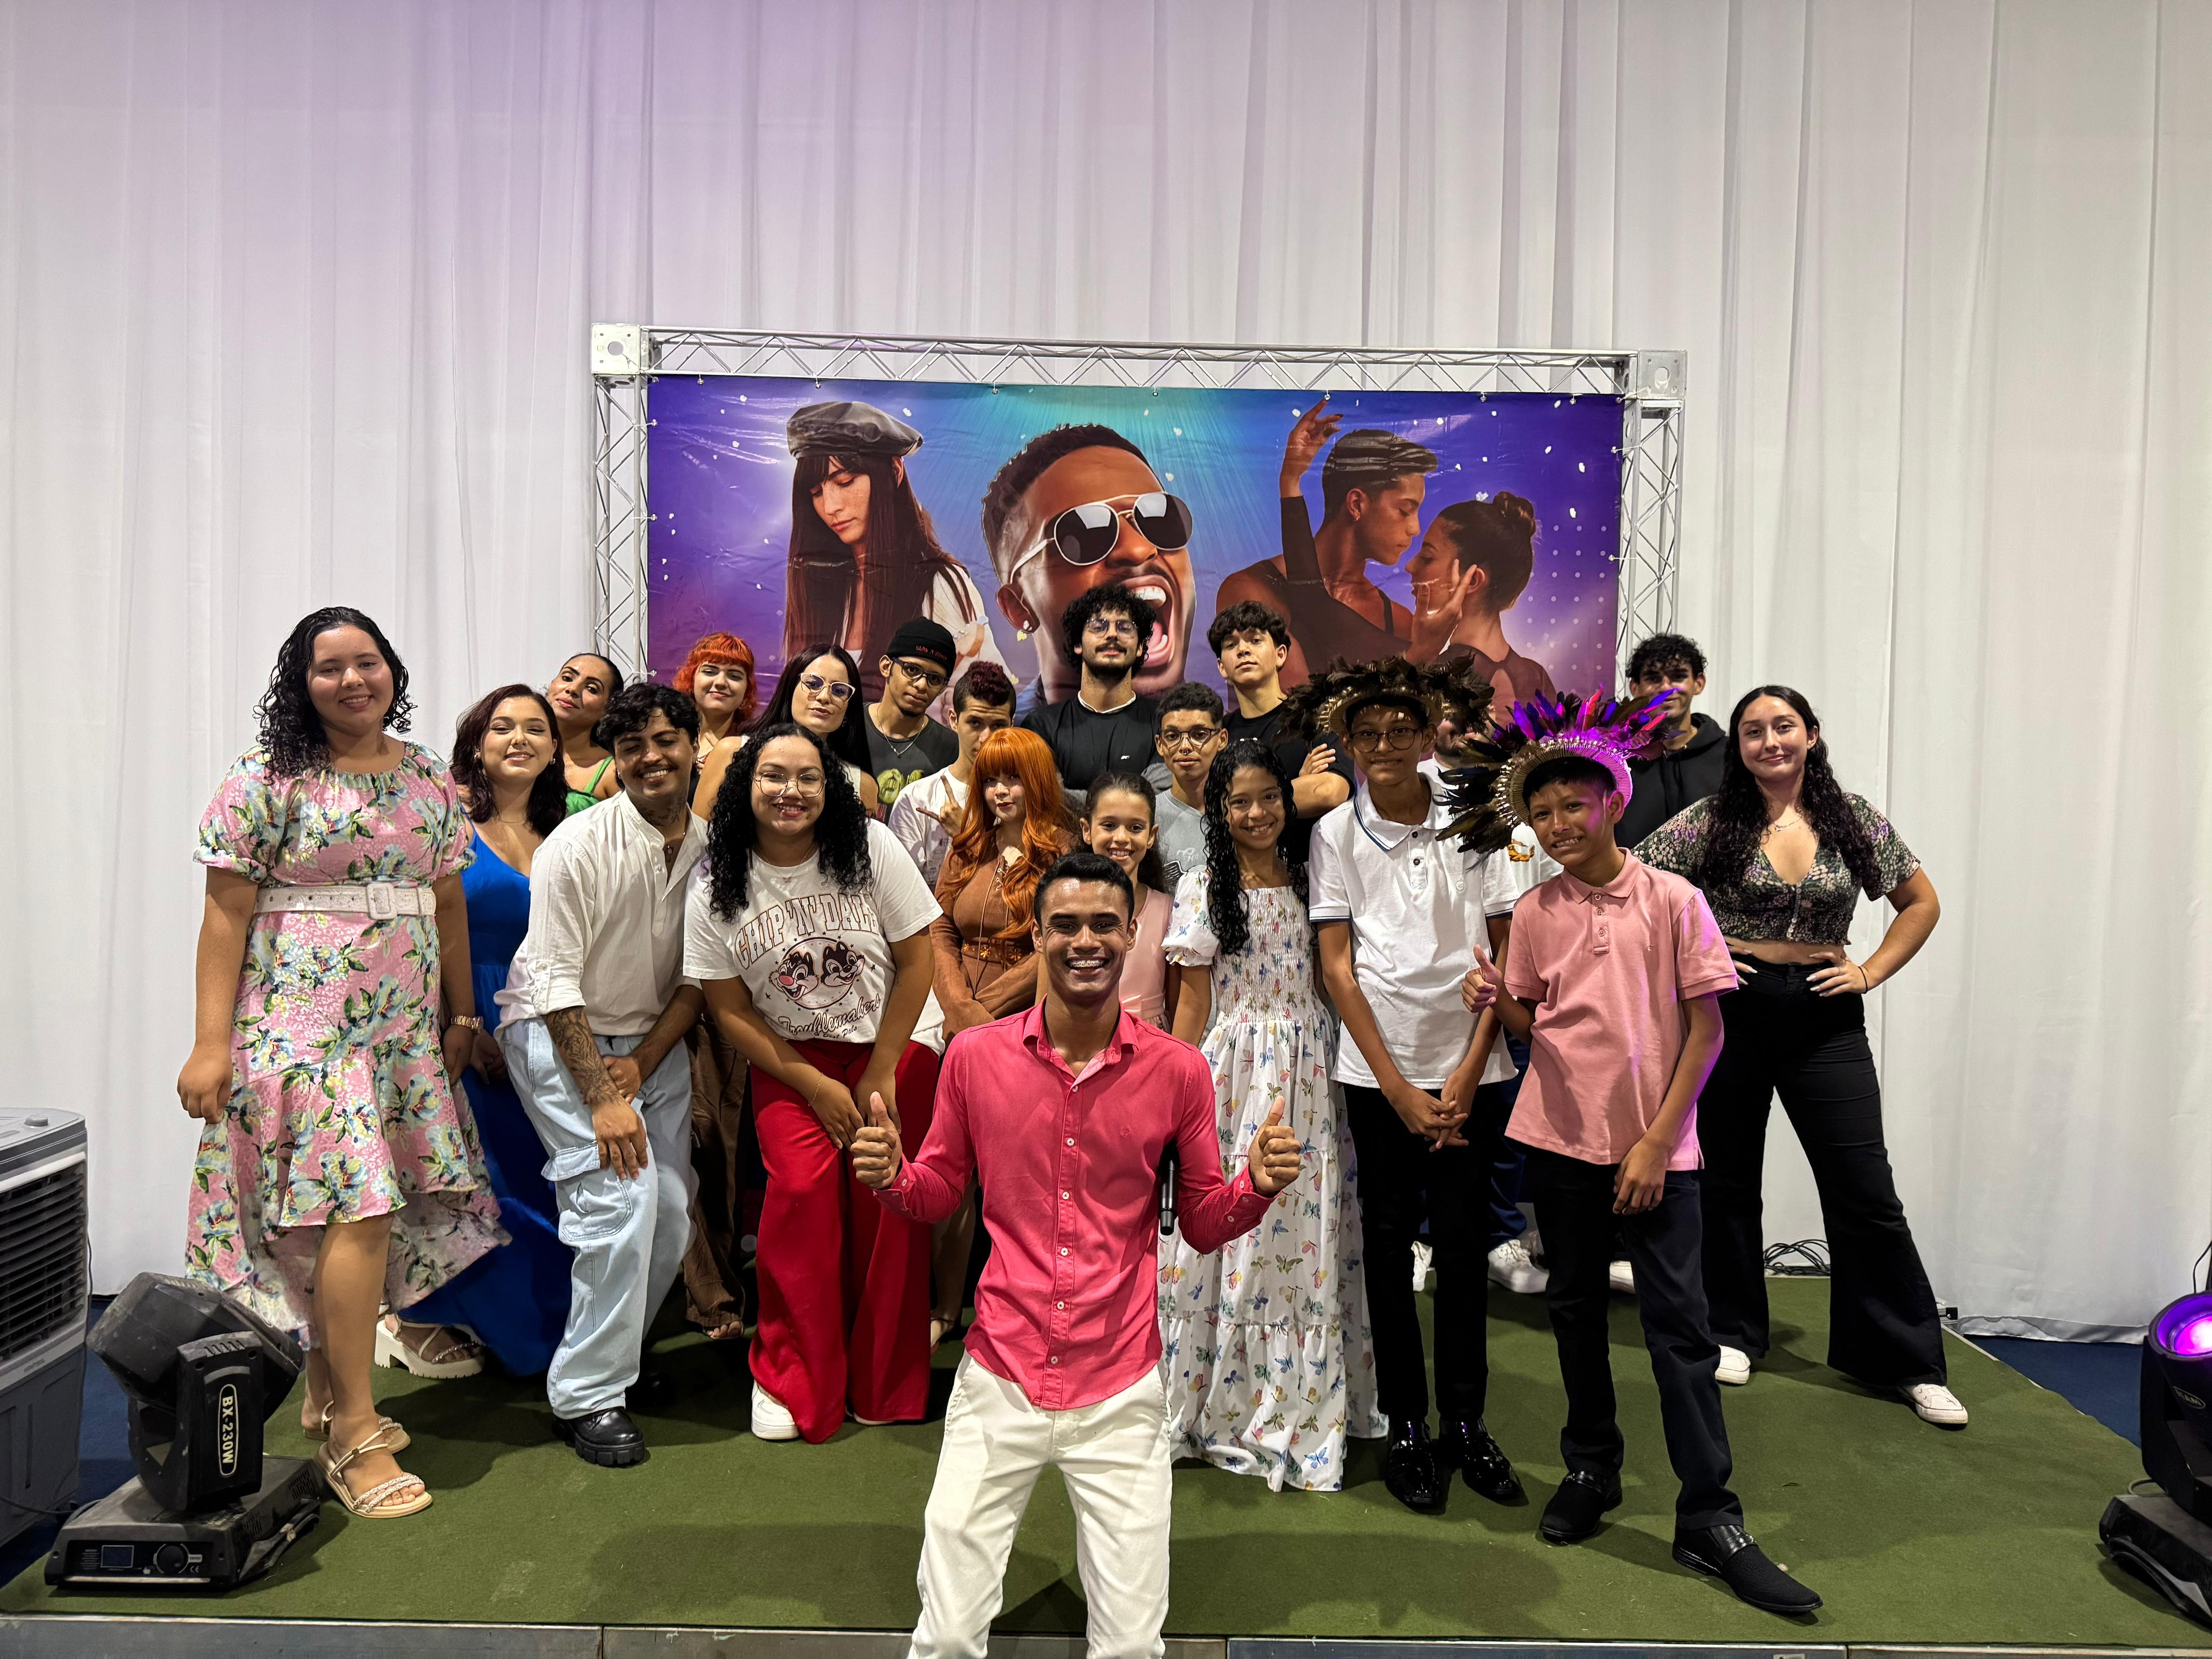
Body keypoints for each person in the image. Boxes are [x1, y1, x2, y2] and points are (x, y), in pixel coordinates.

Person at [852, 850, 1305, 1659]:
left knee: (1129, 1648)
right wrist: (893, 1179)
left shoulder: (1179, 1071)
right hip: (1000, 1371)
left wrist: (1256, 1188)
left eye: (1104, 924)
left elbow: (1202, 1223)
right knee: (946, 1637)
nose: (1085, 941)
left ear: (1133, 934)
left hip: (1120, 1386)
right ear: (1037, 935)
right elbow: (939, 1193)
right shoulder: (974, 1057)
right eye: (1064, 925)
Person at [1457, 693, 1819, 1615]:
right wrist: (1495, 998)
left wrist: (1657, 1141)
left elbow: (1707, 1031)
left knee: (1680, 1334)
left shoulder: (1674, 900)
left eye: (1572, 807)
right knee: (1575, 1312)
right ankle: (1592, 1467)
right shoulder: (1535, 910)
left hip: (1658, 1154)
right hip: (1557, 1144)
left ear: (1613, 801)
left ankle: (1710, 1515)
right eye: (1541, 813)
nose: (1556, 825)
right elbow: (1533, 1024)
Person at [176, 607, 500, 1521]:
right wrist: (209, 1044)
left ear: (393, 671)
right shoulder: (266, 777)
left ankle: (327, 1393)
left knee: (348, 1217)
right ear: (301, 682)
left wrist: (461, 1014)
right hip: (301, 1031)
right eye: (330, 668)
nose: (353, 681)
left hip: (399, 1033)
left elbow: (447, 903)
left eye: (368, 663)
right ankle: (356, 1431)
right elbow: (225, 915)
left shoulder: (426, 775)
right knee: (357, 1209)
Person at [1637, 685, 1958, 1423]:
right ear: (1739, 747)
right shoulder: (1709, 820)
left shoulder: (1852, 818)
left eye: (1783, 726)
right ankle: (1731, 1331)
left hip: (1825, 1016)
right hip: (1730, 1012)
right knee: (1724, 1181)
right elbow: (1639, 889)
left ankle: (1905, 1360)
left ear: (1811, 735)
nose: (1769, 741)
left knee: (1864, 1189)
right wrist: (1701, 953)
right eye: (1753, 731)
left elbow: (1921, 903)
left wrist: (1868, 972)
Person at [1293, 655, 1526, 1515]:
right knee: (1388, 1252)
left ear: (1429, 735)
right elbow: (1338, 968)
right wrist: (1394, 1088)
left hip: (1473, 1066)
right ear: (1349, 744)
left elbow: (1506, 950)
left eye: (1401, 731)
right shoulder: (1334, 834)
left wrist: (1467, 1072)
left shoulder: (1477, 812)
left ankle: (1466, 1423)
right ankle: (1406, 1426)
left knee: (1464, 1253)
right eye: (1368, 734)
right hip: (1377, 1073)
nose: (1385, 745)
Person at [686, 724, 942, 1443]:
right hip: (790, 1055)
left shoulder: (871, 845)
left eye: (807, 777)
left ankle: (883, 1379)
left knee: (886, 1204)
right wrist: (814, 1084)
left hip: (893, 1040)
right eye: (773, 776)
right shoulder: (715, 878)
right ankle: (791, 1372)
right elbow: (728, 1010)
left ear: (829, 787)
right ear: (745, 785)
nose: (790, 791)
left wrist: (881, 1070)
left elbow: (917, 962)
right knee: (800, 1196)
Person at [1159, 742, 1381, 1490]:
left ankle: (1292, 1400)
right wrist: (1170, 1092)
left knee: (1301, 1229)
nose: (1255, 814)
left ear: (1286, 802)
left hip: (1311, 1069)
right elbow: (1192, 1003)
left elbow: (1329, 980)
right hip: (1232, 1073)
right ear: (1218, 812)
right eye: (1239, 802)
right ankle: (1216, 1400)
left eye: (1268, 799)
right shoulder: (1201, 885)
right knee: (1231, 1221)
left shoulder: (1314, 873)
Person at [496, 683, 707, 1468]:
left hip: (652, 1041)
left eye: (665, 741)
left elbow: (700, 980)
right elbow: (552, 979)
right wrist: (601, 1096)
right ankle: (587, 1395)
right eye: (631, 747)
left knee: (672, 1213)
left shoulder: (714, 848)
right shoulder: (576, 845)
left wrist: (643, 1064)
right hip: (560, 1033)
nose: (651, 758)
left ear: (693, 747)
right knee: (621, 1203)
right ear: (614, 761)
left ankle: (613, 1359)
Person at [393, 684, 576, 1380]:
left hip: (553, 1022)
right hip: (461, 1021)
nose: (519, 739)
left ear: (556, 748)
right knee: (478, 1186)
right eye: (503, 727)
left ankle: (546, 1330)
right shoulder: (446, 824)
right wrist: (462, 1024)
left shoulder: (571, 830)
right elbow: (416, 934)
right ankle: (426, 1319)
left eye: (535, 728)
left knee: (548, 1182)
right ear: (477, 742)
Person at [927, 726, 1075, 1345]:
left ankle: (1024, 1310)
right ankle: (943, 1308)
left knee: (1018, 1175)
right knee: (951, 1170)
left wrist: (981, 1013)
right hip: (952, 1019)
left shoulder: (1064, 851)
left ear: (1036, 781)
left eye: (1012, 778)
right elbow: (938, 928)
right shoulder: (967, 845)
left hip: (1022, 1022)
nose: (999, 791)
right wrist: (957, 1005)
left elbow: (1053, 947)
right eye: (989, 779)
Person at [783, 400, 1006, 705]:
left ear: (895, 471)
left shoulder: (938, 584)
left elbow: (982, 706)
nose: (831, 507)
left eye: (845, 482)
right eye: (816, 493)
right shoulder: (821, 588)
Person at [982, 424, 1196, 711]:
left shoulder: (1229, 734)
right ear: (1018, 606)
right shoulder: (1009, 736)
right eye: (1086, 532)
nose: (1138, 549)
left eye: (1159, 518)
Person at [1225, 399, 1435, 686]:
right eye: (1405, 510)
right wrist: (1291, 482)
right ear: (1357, 504)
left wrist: (1290, 482)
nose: (1416, 529)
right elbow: (1291, 699)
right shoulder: (1249, 589)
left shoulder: (1399, 620)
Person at [1208, 599, 1352, 857]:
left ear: (1280, 654)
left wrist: (1243, 800)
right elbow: (1214, 808)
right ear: (1222, 668)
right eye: (1231, 645)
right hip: (1241, 872)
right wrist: (1296, 785)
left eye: (1255, 641)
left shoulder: (1314, 717)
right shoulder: (1219, 735)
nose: (1243, 650)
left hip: (1313, 870)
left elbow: (1329, 792)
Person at [1017, 583, 1170, 799]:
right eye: (1098, 626)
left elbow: (1157, 800)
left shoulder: (1166, 723)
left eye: (1125, 627)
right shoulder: (1041, 726)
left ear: (1139, 648)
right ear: (1078, 644)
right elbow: (1048, 799)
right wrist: (1126, 804)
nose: (1112, 634)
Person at [696, 644, 881, 820]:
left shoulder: (862, 784)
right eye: (813, 683)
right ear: (790, 689)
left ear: (849, 708)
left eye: (839, 691)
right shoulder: (732, 753)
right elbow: (698, 836)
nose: (824, 697)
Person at [1402, 496, 1558, 702]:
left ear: (1473, 580)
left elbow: (1389, 719)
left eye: (1427, 558)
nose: (1410, 567)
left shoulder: (1435, 679)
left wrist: (1419, 655)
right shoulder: (1537, 678)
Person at [886, 662, 1016, 889]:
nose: (986, 738)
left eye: (998, 725)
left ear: (1012, 725)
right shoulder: (917, 799)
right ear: (954, 720)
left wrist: (966, 836)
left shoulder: (1024, 799)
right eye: (975, 723)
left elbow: (1024, 890)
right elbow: (900, 892)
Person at [1080, 772, 1175, 1029]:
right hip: (1081, 1036)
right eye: (1109, 825)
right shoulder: (1065, 906)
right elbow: (1046, 998)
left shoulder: (1168, 911)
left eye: (1135, 828)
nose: (1121, 838)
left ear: (1151, 835)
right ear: (1087, 830)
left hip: (1149, 1040)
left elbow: (1180, 1004)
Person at [1614, 632, 1725, 849]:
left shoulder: (1732, 755)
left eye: (1678, 676)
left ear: (1699, 683)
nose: (1666, 687)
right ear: (1635, 688)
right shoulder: (1616, 761)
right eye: (1654, 678)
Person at [864, 618, 961, 809]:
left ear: (943, 688)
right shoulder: (848, 725)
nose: (921, 685)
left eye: (935, 679)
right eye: (912, 670)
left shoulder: (952, 749)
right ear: (886, 667)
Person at [1151, 683, 1226, 891]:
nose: (1185, 747)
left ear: (1222, 739)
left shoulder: (1243, 813)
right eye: (1173, 736)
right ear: (1160, 744)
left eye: (1199, 735)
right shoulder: (1146, 817)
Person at [674, 632, 760, 789]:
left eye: (734, 676)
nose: (720, 682)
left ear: (747, 689)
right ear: (691, 679)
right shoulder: (671, 735)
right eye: (710, 672)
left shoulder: (753, 749)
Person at [548, 651, 626, 812]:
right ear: (551, 685)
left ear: (608, 709)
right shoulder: (521, 750)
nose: (573, 689)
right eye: (567, 678)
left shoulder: (613, 772)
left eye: (592, 689)